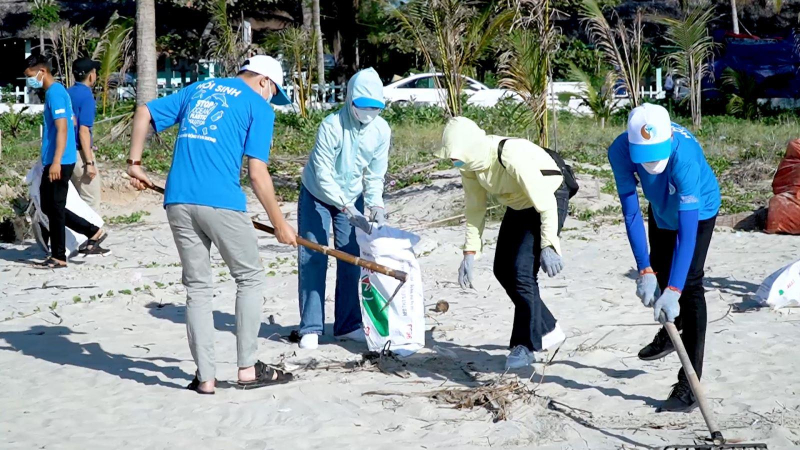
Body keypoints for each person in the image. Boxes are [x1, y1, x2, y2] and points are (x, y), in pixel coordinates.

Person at [127, 55, 298, 394]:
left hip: (177, 199)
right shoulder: (258, 107)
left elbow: (145, 111)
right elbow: (257, 172)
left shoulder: (199, 88)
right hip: (221, 201)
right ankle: (247, 368)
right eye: (274, 92)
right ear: (264, 81)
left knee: (198, 288)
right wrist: (279, 223)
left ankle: (205, 377)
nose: (271, 100)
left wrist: (135, 162)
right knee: (249, 277)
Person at [608, 103, 720, 413]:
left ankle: (689, 383)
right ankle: (673, 332)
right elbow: (630, 211)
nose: (652, 162)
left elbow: (687, 230)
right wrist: (644, 269)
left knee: (690, 285)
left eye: (657, 154)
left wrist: (674, 290)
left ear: (669, 137)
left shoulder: (685, 158)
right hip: (660, 211)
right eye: (645, 157)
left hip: (698, 213)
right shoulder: (619, 152)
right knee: (659, 271)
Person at [436, 117, 569, 370]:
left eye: (456, 156)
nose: (454, 162)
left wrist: (549, 245)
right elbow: (475, 208)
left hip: (549, 198)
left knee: (522, 274)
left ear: (470, 147)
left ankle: (526, 346)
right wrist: (469, 251)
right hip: (519, 205)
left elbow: (545, 202)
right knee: (502, 270)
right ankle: (547, 327)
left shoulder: (510, 155)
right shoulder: (470, 167)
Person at [296, 68, 390, 350]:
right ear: (350, 100)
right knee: (313, 254)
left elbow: (375, 174)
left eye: (375, 107)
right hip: (317, 194)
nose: (369, 112)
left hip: (353, 197)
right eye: (363, 105)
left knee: (351, 257)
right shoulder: (331, 125)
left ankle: (347, 324)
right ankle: (311, 326)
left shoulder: (382, 130)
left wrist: (375, 205)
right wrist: (347, 208)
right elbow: (323, 173)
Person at [24, 54, 108, 268]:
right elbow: (68, 122)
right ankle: (92, 231)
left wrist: (56, 161)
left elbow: (63, 128)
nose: (29, 81)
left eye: (30, 76)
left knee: (55, 207)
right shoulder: (56, 92)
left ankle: (59, 256)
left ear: (41, 71)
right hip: (52, 160)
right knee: (50, 206)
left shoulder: (56, 94)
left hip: (60, 161)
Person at [68, 57, 102, 212]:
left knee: (73, 198)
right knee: (90, 199)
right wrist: (89, 163)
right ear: (91, 75)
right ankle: (91, 233)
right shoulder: (86, 96)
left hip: (64, 152)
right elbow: (83, 131)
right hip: (79, 153)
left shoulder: (68, 93)